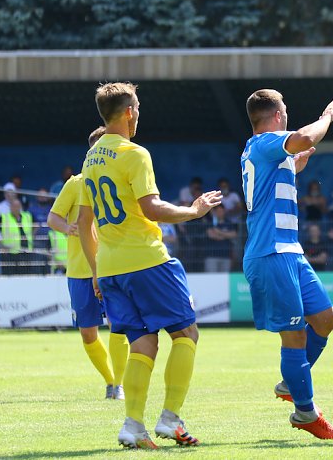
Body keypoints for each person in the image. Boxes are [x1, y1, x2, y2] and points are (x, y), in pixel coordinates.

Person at [77, 82, 222, 449]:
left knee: (142, 344)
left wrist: (95, 271)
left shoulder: (90, 159)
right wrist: (194, 210)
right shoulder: (135, 153)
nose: (139, 113)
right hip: (146, 261)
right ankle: (171, 420)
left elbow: (83, 222)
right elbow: (152, 208)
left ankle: (133, 426)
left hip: (110, 268)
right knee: (186, 334)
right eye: (137, 107)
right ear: (127, 112)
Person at [241, 89, 333, 440]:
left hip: (290, 252)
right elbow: (305, 137)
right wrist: (326, 117)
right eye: (285, 111)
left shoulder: (264, 152)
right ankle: (305, 411)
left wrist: (292, 167)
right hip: (271, 253)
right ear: (278, 116)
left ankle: (292, 382)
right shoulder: (266, 141)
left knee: (325, 321)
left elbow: (272, 184)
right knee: (295, 336)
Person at [47, 126, 130, 400]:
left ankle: (118, 383)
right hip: (80, 271)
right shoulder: (76, 183)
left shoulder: (121, 179)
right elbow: (53, 218)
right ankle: (110, 380)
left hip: (113, 267)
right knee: (88, 333)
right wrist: (69, 227)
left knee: (118, 326)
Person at [0, 199, 36, 274]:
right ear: (10, 207)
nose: (16, 208)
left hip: (26, 251)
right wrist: (0, 244)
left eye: (18, 206)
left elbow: (36, 225)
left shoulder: (27, 216)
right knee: (9, 277)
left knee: (26, 276)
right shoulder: (4, 217)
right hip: (10, 253)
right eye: (14, 206)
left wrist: (32, 236)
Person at [203, 204, 237, 272]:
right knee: (212, 279)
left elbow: (234, 234)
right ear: (215, 212)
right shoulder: (210, 223)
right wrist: (226, 235)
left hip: (226, 256)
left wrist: (219, 232)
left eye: (222, 211)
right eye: (218, 211)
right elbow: (211, 235)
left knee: (225, 280)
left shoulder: (228, 223)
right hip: (212, 256)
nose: (220, 213)